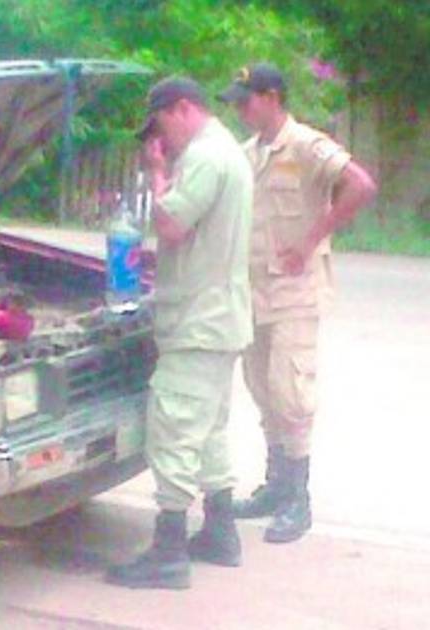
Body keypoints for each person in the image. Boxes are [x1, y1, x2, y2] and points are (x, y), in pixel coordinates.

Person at [218, 63, 377, 543]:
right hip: (254, 292)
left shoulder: (307, 145)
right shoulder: (247, 154)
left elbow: (361, 186)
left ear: (272, 97)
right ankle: (276, 486)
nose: (241, 110)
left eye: (246, 100)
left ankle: (298, 500)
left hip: (295, 291)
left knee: (291, 393)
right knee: (263, 390)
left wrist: (311, 240)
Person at [106, 77, 254, 590]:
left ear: (182, 109)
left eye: (160, 127)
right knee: (208, 429)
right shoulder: (227, 151)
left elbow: (171, 225)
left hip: (199, 321)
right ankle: (220, 532)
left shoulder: (205, 156)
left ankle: (168, 554)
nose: (160, 141)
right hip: (218, 318)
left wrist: (157, 173)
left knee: (173, 429)